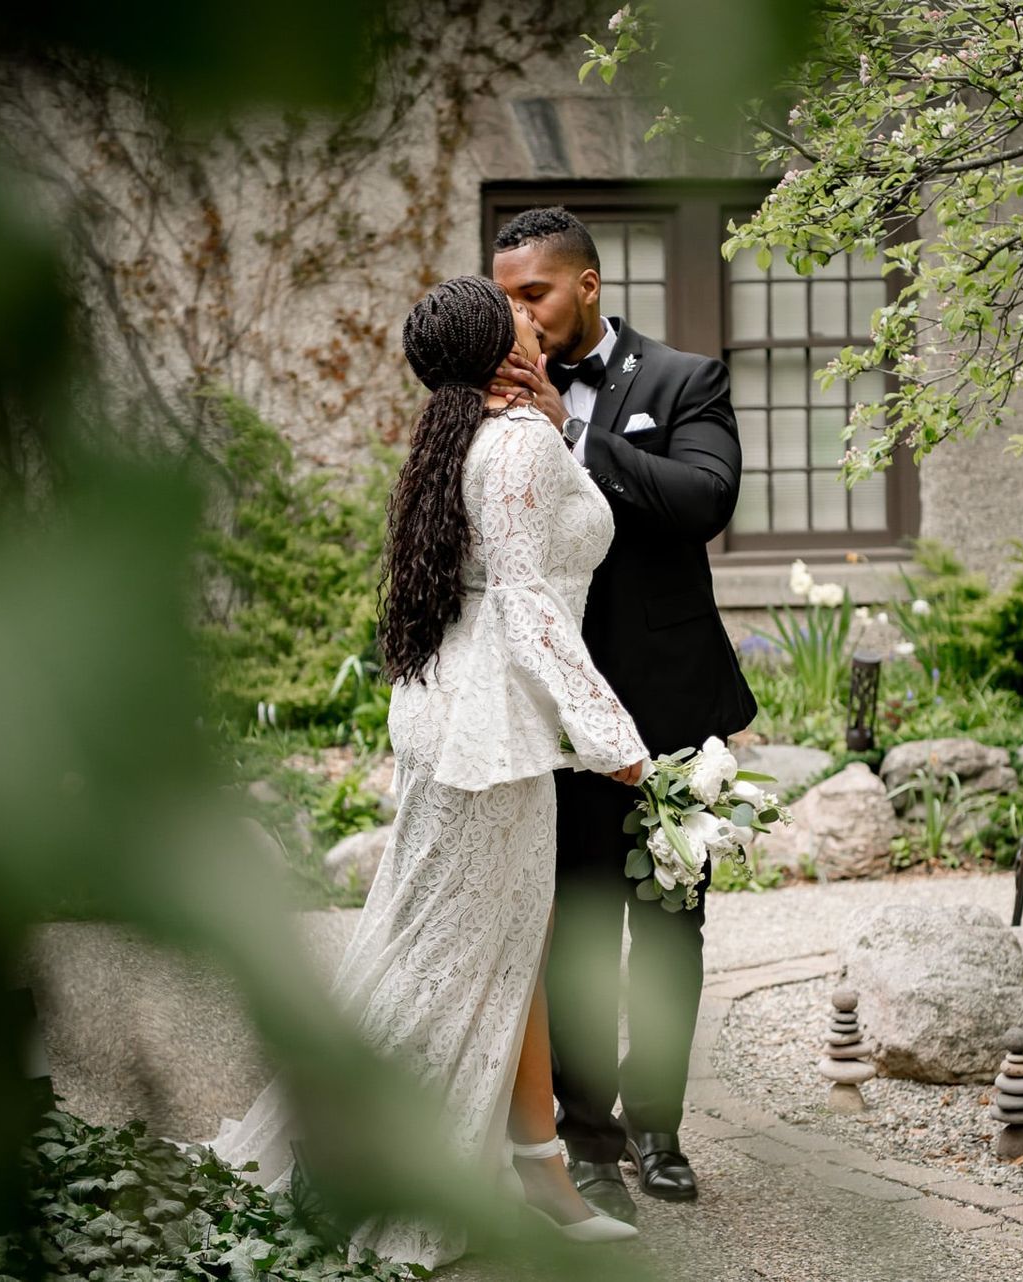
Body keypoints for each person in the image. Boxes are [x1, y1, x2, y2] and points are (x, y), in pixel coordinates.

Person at [203, 275, 650, 1267]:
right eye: (519, 312)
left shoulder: (475, 437)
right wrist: (615, 739)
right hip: (490, 744)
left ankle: (533, 1168)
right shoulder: (517, 442)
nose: (536, 319)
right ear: (499, 343)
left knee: (443, 943)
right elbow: (533, 605)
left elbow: (524, 557)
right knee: (457, 960)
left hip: (446, 722)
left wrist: (559, 433)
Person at [490, 208, 757, 1224]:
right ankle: (587, 1139)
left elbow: (704, 500)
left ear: (587, 286)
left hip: (673, 708)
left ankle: (659, 1127)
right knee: (579, 931)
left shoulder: (685, 380)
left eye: (534, 293)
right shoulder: (492, 401)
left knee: (672, 930)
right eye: (505, 294)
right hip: (559, 719)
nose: (517, 313)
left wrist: (576, 432)